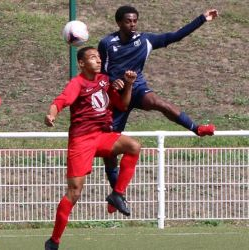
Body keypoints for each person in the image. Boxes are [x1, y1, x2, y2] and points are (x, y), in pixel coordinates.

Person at [98, 5, 218, 190]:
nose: (132, 24)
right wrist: (113, 82)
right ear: (119, 22)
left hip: (137, 89)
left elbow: (175, 36)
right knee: (110, 144)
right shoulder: (107, 43)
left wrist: (202, 19)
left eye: (135, 21)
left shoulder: (146, 40)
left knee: (158, 102)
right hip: (115, 96)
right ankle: (116, 192)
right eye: (128, 21)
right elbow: (102, 73)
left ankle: (196, 128)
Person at [44, 46, 141, 250]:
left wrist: (129, 85)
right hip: (81, 141)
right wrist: (51, 114)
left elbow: (122, 105)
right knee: (74, 192)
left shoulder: (105, 80)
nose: (98, 60)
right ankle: (54, 240)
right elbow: (61, 100)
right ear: (81, 63)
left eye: (98, 57)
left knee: (133, 146)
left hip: (102, 136)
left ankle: (117, 194)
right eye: (92, 58)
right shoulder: (76, 83)